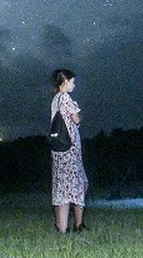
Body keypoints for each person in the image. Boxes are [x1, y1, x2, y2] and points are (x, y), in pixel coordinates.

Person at [50, 68, 87, 233]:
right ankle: (67, 228)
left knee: (61, 191)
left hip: (58, 151)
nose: (74, 85)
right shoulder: (65, 97)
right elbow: (77, 119)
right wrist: (77, 111)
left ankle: (61, 228)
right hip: (69, 150)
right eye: (72, 81)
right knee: (70, 190)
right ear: (65, 82)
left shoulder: (55, 99)